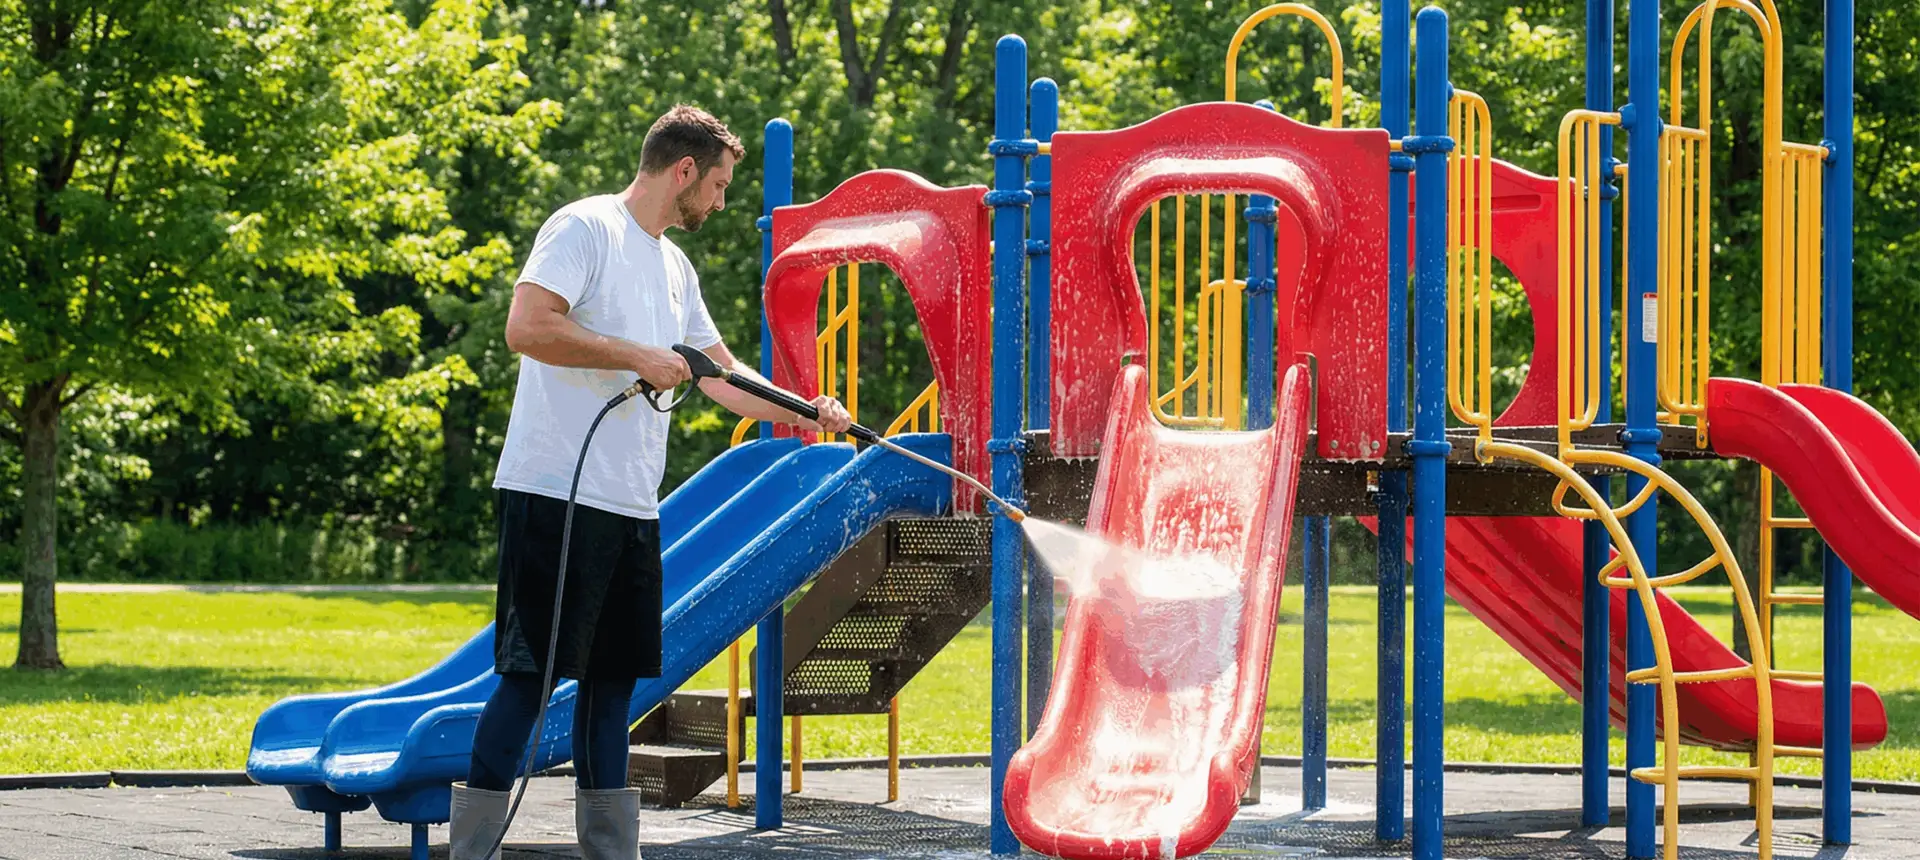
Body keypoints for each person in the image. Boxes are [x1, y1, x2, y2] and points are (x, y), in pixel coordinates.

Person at [450, 105, 853, 860]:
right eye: (721, 186)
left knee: (611, 689)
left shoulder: (675, 266)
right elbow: (527, 327)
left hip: (632, 505)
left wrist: (807, 411)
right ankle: (475, 851)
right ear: (684, 171)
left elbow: (721, 374)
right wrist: (636, 355)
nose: (723, 203)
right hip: (555, 494)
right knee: (530, 679)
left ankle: (611, 853)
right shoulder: (585, 229)